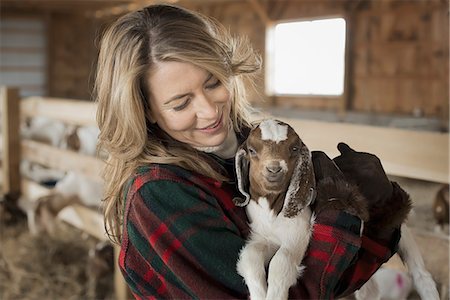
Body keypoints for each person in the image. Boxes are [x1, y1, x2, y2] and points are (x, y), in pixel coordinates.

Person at [95, 4, 411, 299]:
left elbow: (337, 278)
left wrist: (381, 210)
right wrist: (343, 211)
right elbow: (301, 292)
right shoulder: (160, 194)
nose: (209, 110)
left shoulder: (257, 144)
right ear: (145, 110)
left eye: (213, 82)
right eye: (181, 103)